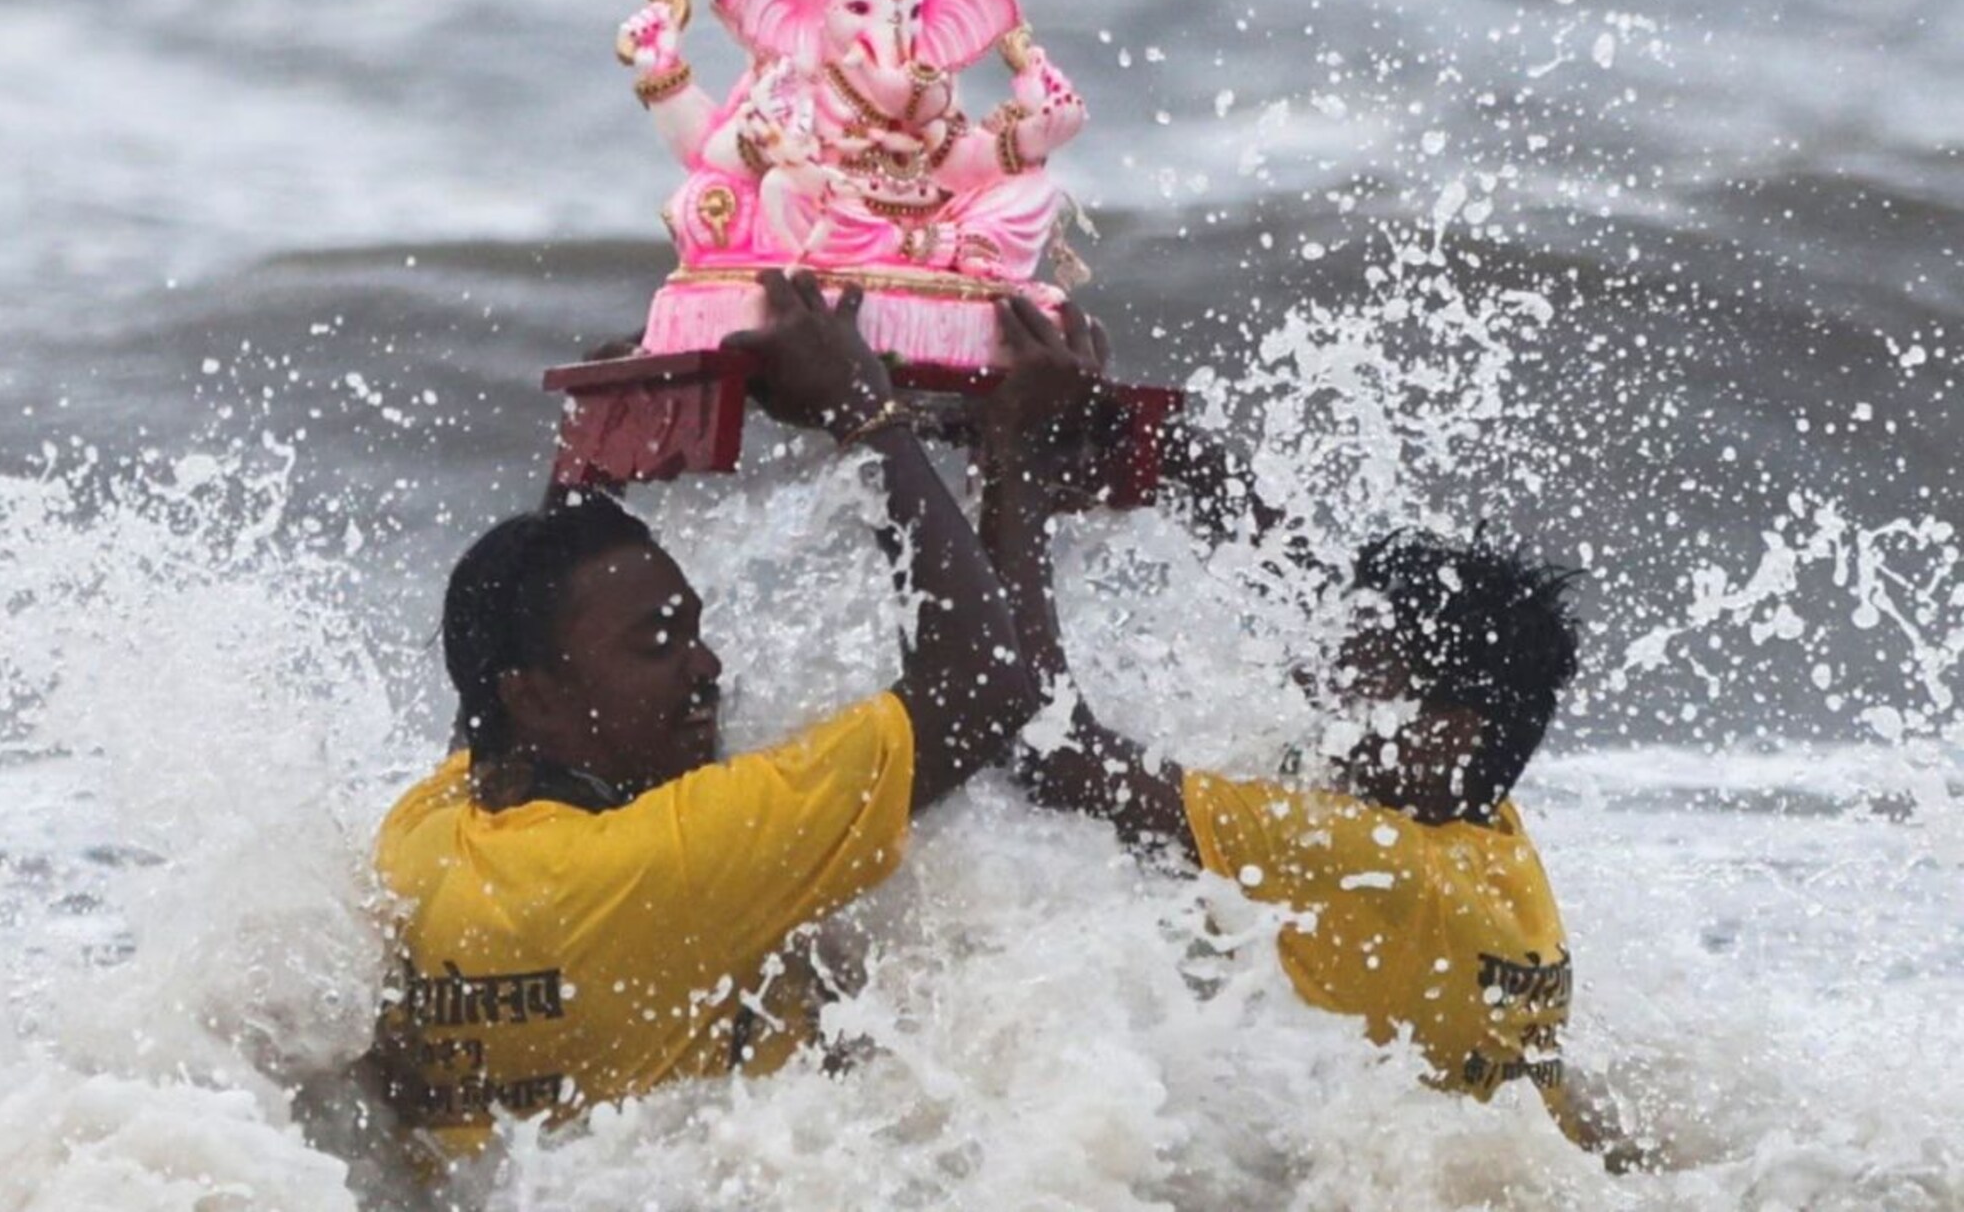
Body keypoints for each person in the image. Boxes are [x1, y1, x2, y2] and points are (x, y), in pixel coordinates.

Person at [372, 270, 1058, 1163]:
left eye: (694, 630)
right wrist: (871, 417)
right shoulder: (672, 860)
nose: (707, 668)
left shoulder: (429, 834)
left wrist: (594, 453)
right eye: (658, 645)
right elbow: (987, 688)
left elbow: (503, 663)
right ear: (533, 694)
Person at [976, 296, 1640, 1166]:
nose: (1312, 674)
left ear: (1443, 731)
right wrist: (1151, 448)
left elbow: (1051, 755)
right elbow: (1298, 585)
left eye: (1359, 666)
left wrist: (1011, 466)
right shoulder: (1483, 824)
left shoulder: (1364, 852)